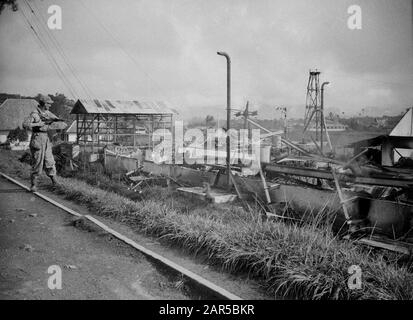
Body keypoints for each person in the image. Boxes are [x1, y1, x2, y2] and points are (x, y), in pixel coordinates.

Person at [23, 94, 67, 191]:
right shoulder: (34, 114)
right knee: (37, 162)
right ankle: (33, 185)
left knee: (49, 161)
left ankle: (55, 182)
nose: (50, 105)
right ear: (43, 103)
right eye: (48, 103)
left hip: (46, 139)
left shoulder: (48, 113)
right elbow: (25, 124)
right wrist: (38, 124)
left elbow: (60, 122)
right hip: (37, 138)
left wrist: (57, 126)